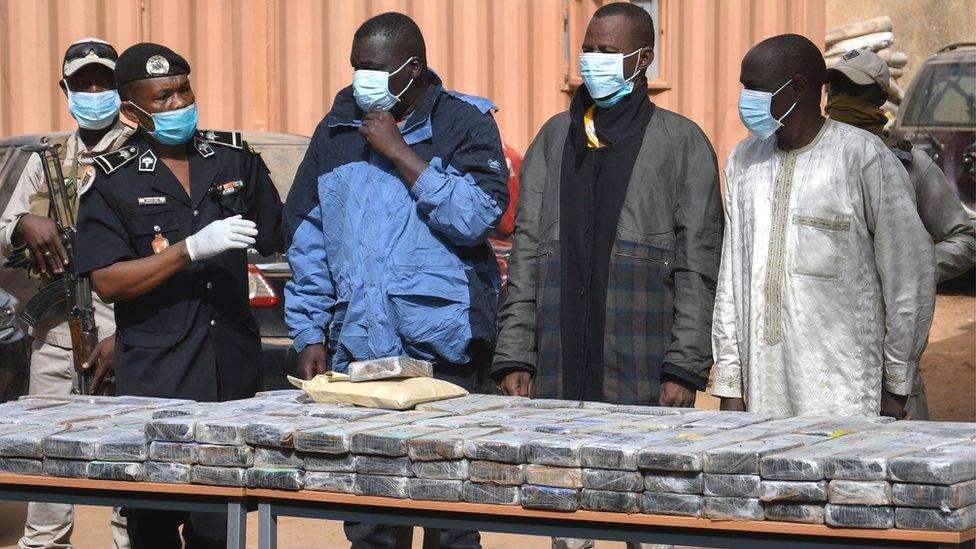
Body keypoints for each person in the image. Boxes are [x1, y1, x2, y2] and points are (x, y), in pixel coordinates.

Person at [283, 12, 507, 549]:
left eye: (376, 69)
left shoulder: (464, 124)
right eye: (357, 66)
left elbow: (478, 216)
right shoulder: (336, 128)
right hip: (357, 350)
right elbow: (309, 237)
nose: (363, 79)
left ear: (414, 69)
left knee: (448, 511)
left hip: (443, 352)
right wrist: (309, 330)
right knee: (372, 519)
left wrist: (402, 154)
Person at [74, 43, 282, 548]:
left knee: (222, 522)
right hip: (157, 378)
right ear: (132, 111)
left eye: (184, 91)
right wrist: (187, 250)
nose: (178, 104)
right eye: (163, 97)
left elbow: (279, 235)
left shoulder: (234, 158)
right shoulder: (111, 182)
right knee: (154, 526)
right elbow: (107, 279)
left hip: (230, 369)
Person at [493, 2, 723, 408]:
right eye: (588, 50)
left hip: (640, 367)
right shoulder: (553, 138)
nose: (592, 62)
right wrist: (515, 353)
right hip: (555, 367)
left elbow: (698, 264)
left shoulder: (680, 143)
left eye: (606, 52)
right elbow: (525, 251)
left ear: (643, 59)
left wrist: (683, 367)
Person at [711, 34, 936, 418]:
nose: (745, 100)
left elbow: (908, 276)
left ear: (798, 88)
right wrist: (730, 383)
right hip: (762, 394)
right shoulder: (743, 162)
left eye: (755, 89)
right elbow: (731, 280)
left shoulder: (863, 158)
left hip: (850, 398)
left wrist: (897, 385)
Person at [0, 37, 131, 549]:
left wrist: (133, 337)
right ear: (66, 89)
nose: (94, 91)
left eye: (103, 82)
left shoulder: (143, 152)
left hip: (126, 335)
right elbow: (6, 225)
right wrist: (24, 225)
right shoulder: (49, 159)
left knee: (128, 466)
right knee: (48, 462)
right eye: (83, 83)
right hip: (57, 336)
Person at [825, 48, 976, 420]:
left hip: (887, 349)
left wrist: (912, 269)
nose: (841, 101)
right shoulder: (811, 161)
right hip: (823, 350)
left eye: (854, 92)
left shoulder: (908, 165)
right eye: (836, 89)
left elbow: (964, 239)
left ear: (878, 99)